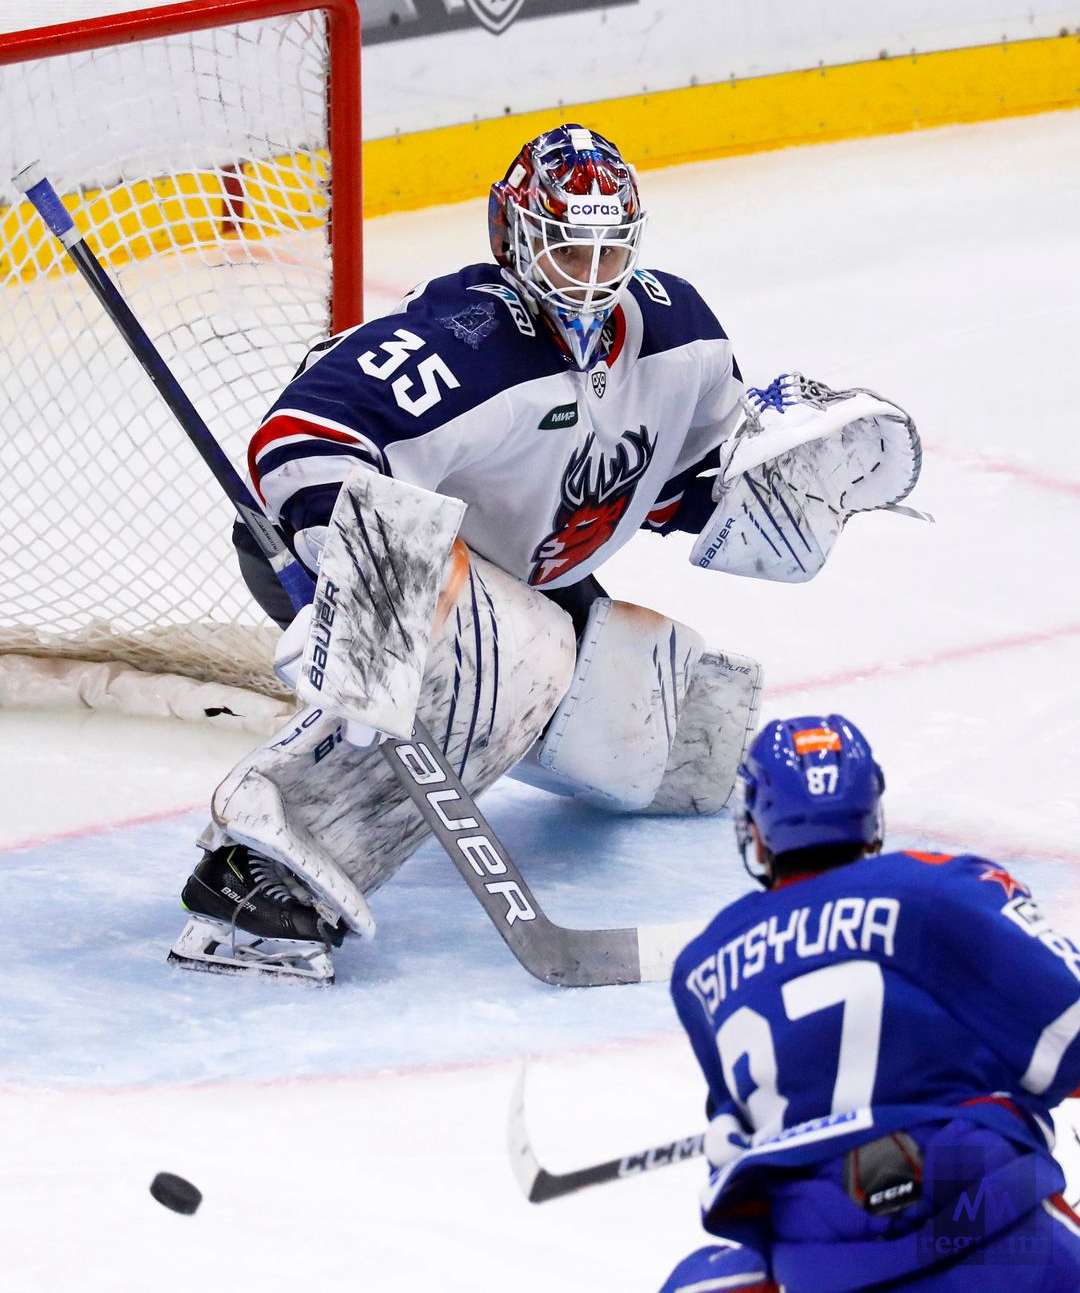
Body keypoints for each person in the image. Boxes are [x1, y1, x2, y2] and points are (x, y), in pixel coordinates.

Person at [171, 125, 921, 980]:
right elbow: (301, 440)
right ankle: (254, 874)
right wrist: (361, 585)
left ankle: (496, 698)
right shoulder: (464, 338)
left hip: (519, 566)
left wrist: (774, 488)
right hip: (346, 544)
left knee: (652, 744)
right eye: (569, 251)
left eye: (610, 253)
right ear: (514, 237)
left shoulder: (683, 339)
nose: (592, 278)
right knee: (512, 664)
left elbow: (671, 481)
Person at [661, 715, 1080, 1292]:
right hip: (993, 1233)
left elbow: (737, 1130)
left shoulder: (702, 967)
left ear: (758, 829)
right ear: (870, 813)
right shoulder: (939, 890)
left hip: (825, 1263)